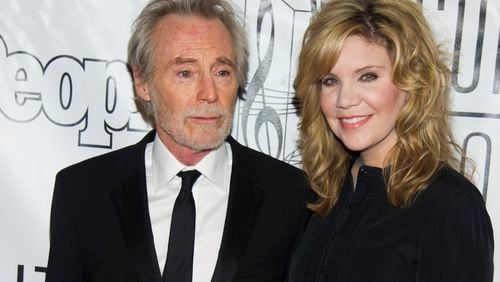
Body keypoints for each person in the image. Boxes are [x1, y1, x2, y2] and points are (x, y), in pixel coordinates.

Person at [45, 0, 309, 281]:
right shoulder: (83, 193)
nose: (209, 93)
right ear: (143, 82)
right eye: (186, 73)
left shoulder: (292, 197)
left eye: (222, 72)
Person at [289, 0, 494, 281]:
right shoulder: (326, 192)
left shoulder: (450, 206)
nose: (345, 100)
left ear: (411, 82)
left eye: (367, 77)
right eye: (330, 81)